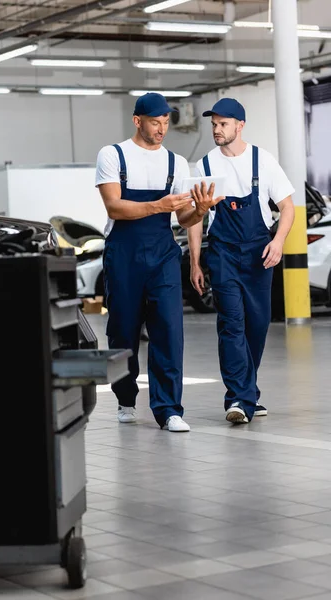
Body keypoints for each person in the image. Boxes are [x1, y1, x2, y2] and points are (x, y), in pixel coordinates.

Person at [95, 92, 219, 431]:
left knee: (168, 329)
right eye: (155, 122)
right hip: (124, 253)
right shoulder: (113, 155)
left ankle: (168, 409)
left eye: (166, 122)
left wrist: (202, 209)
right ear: (138, 121)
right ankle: (124, 397)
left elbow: (184, 218)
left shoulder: (176, 162)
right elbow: (114, 208)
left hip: (163, 253)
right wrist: (157, 206)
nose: (162, 128)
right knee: (123, 329)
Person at [187, 97, 295, 424]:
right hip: (223, 253)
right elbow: (195, 219)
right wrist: (195, 261)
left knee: (257, 326)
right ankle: (238, 399)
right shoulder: (204, 165)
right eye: (214, 124)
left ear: (240, 125)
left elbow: (287, 207)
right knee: (231, 323)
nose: (217, 130)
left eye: (223, 124)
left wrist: (278, 241)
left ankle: (247, 392)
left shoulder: (263, 160)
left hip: (259, 252)